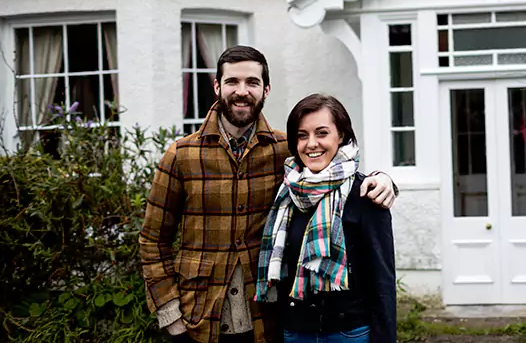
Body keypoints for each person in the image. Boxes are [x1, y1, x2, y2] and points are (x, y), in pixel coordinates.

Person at [139, 46, 397, 343]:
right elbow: (152, 241)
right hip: (199, 321)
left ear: (266, 89)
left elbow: (335, 169)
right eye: (232, 82)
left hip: (267, 323)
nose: (242, 91)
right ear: (217, 87)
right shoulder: (182, 155)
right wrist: (172, 319)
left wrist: (385, 179)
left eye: (252, 82)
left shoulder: (285, 150)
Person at [256, 94, 395, 343]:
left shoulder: (366, 194)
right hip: (296, 333)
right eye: (302, 135)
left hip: (349, 334)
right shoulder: (286, 193)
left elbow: (383, 281)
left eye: (321, 133)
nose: (312, 144)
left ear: (340, 135)